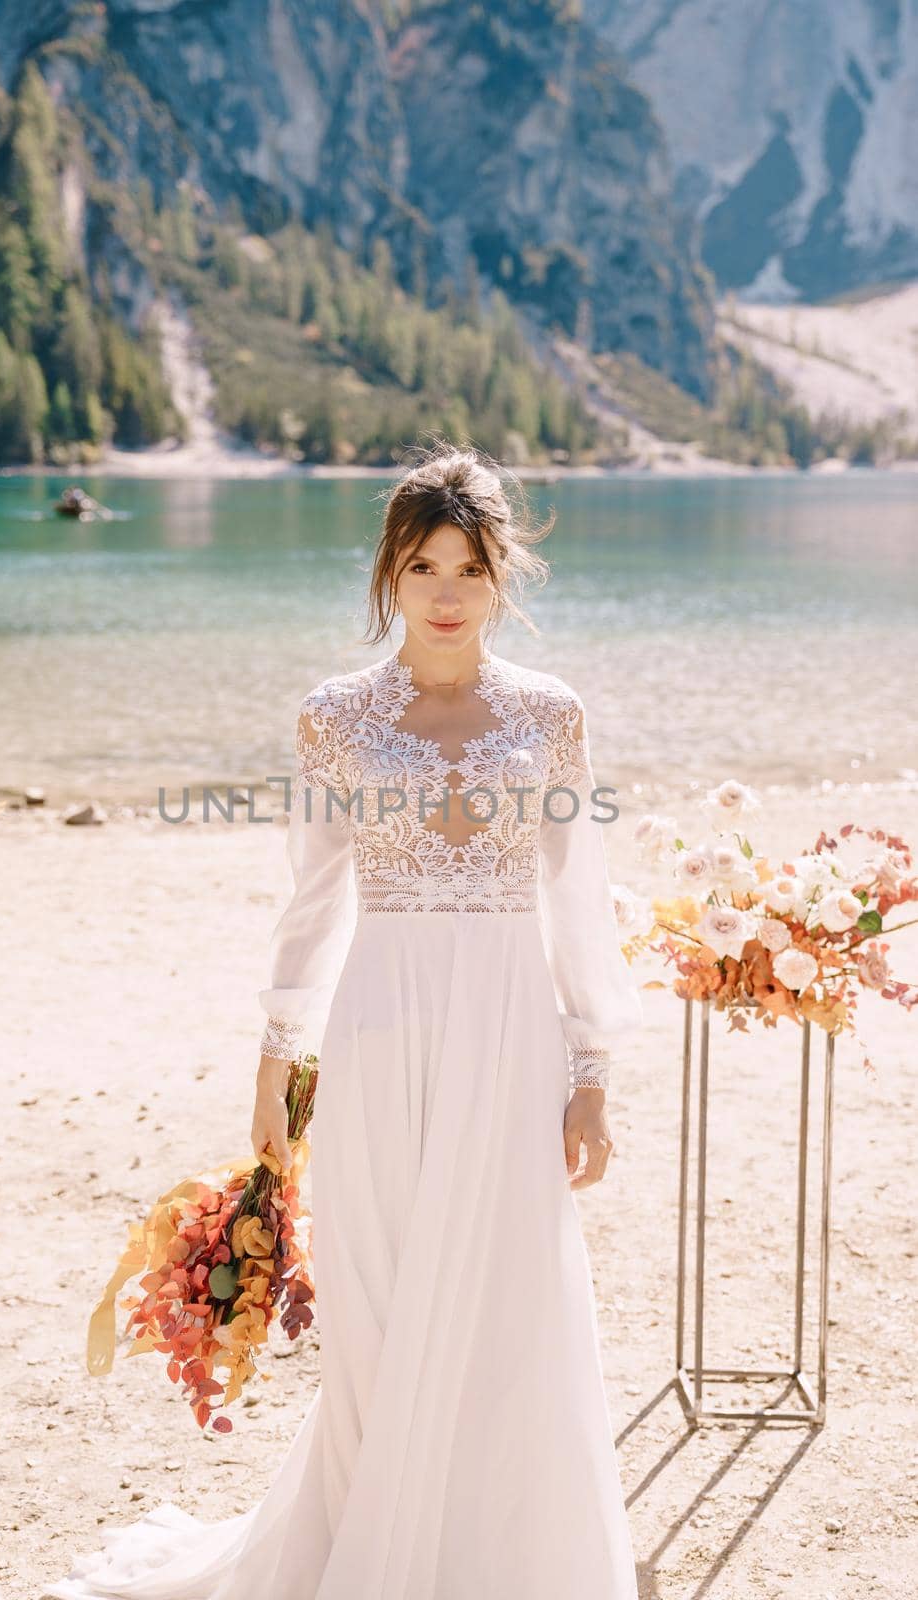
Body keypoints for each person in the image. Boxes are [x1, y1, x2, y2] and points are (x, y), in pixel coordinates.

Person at [41, 443, 644, 1599]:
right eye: (423, 565)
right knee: (379, 1306)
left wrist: (591, 1070)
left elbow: (578, 902)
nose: (446, 592)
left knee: (511, 1303)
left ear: (500, 575)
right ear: (390, 576)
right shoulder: (335, 719)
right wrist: (277, 1056)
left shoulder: (550, 717)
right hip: (377, 1031)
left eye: (467, 566)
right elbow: (312, 898)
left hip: (508, 1036)